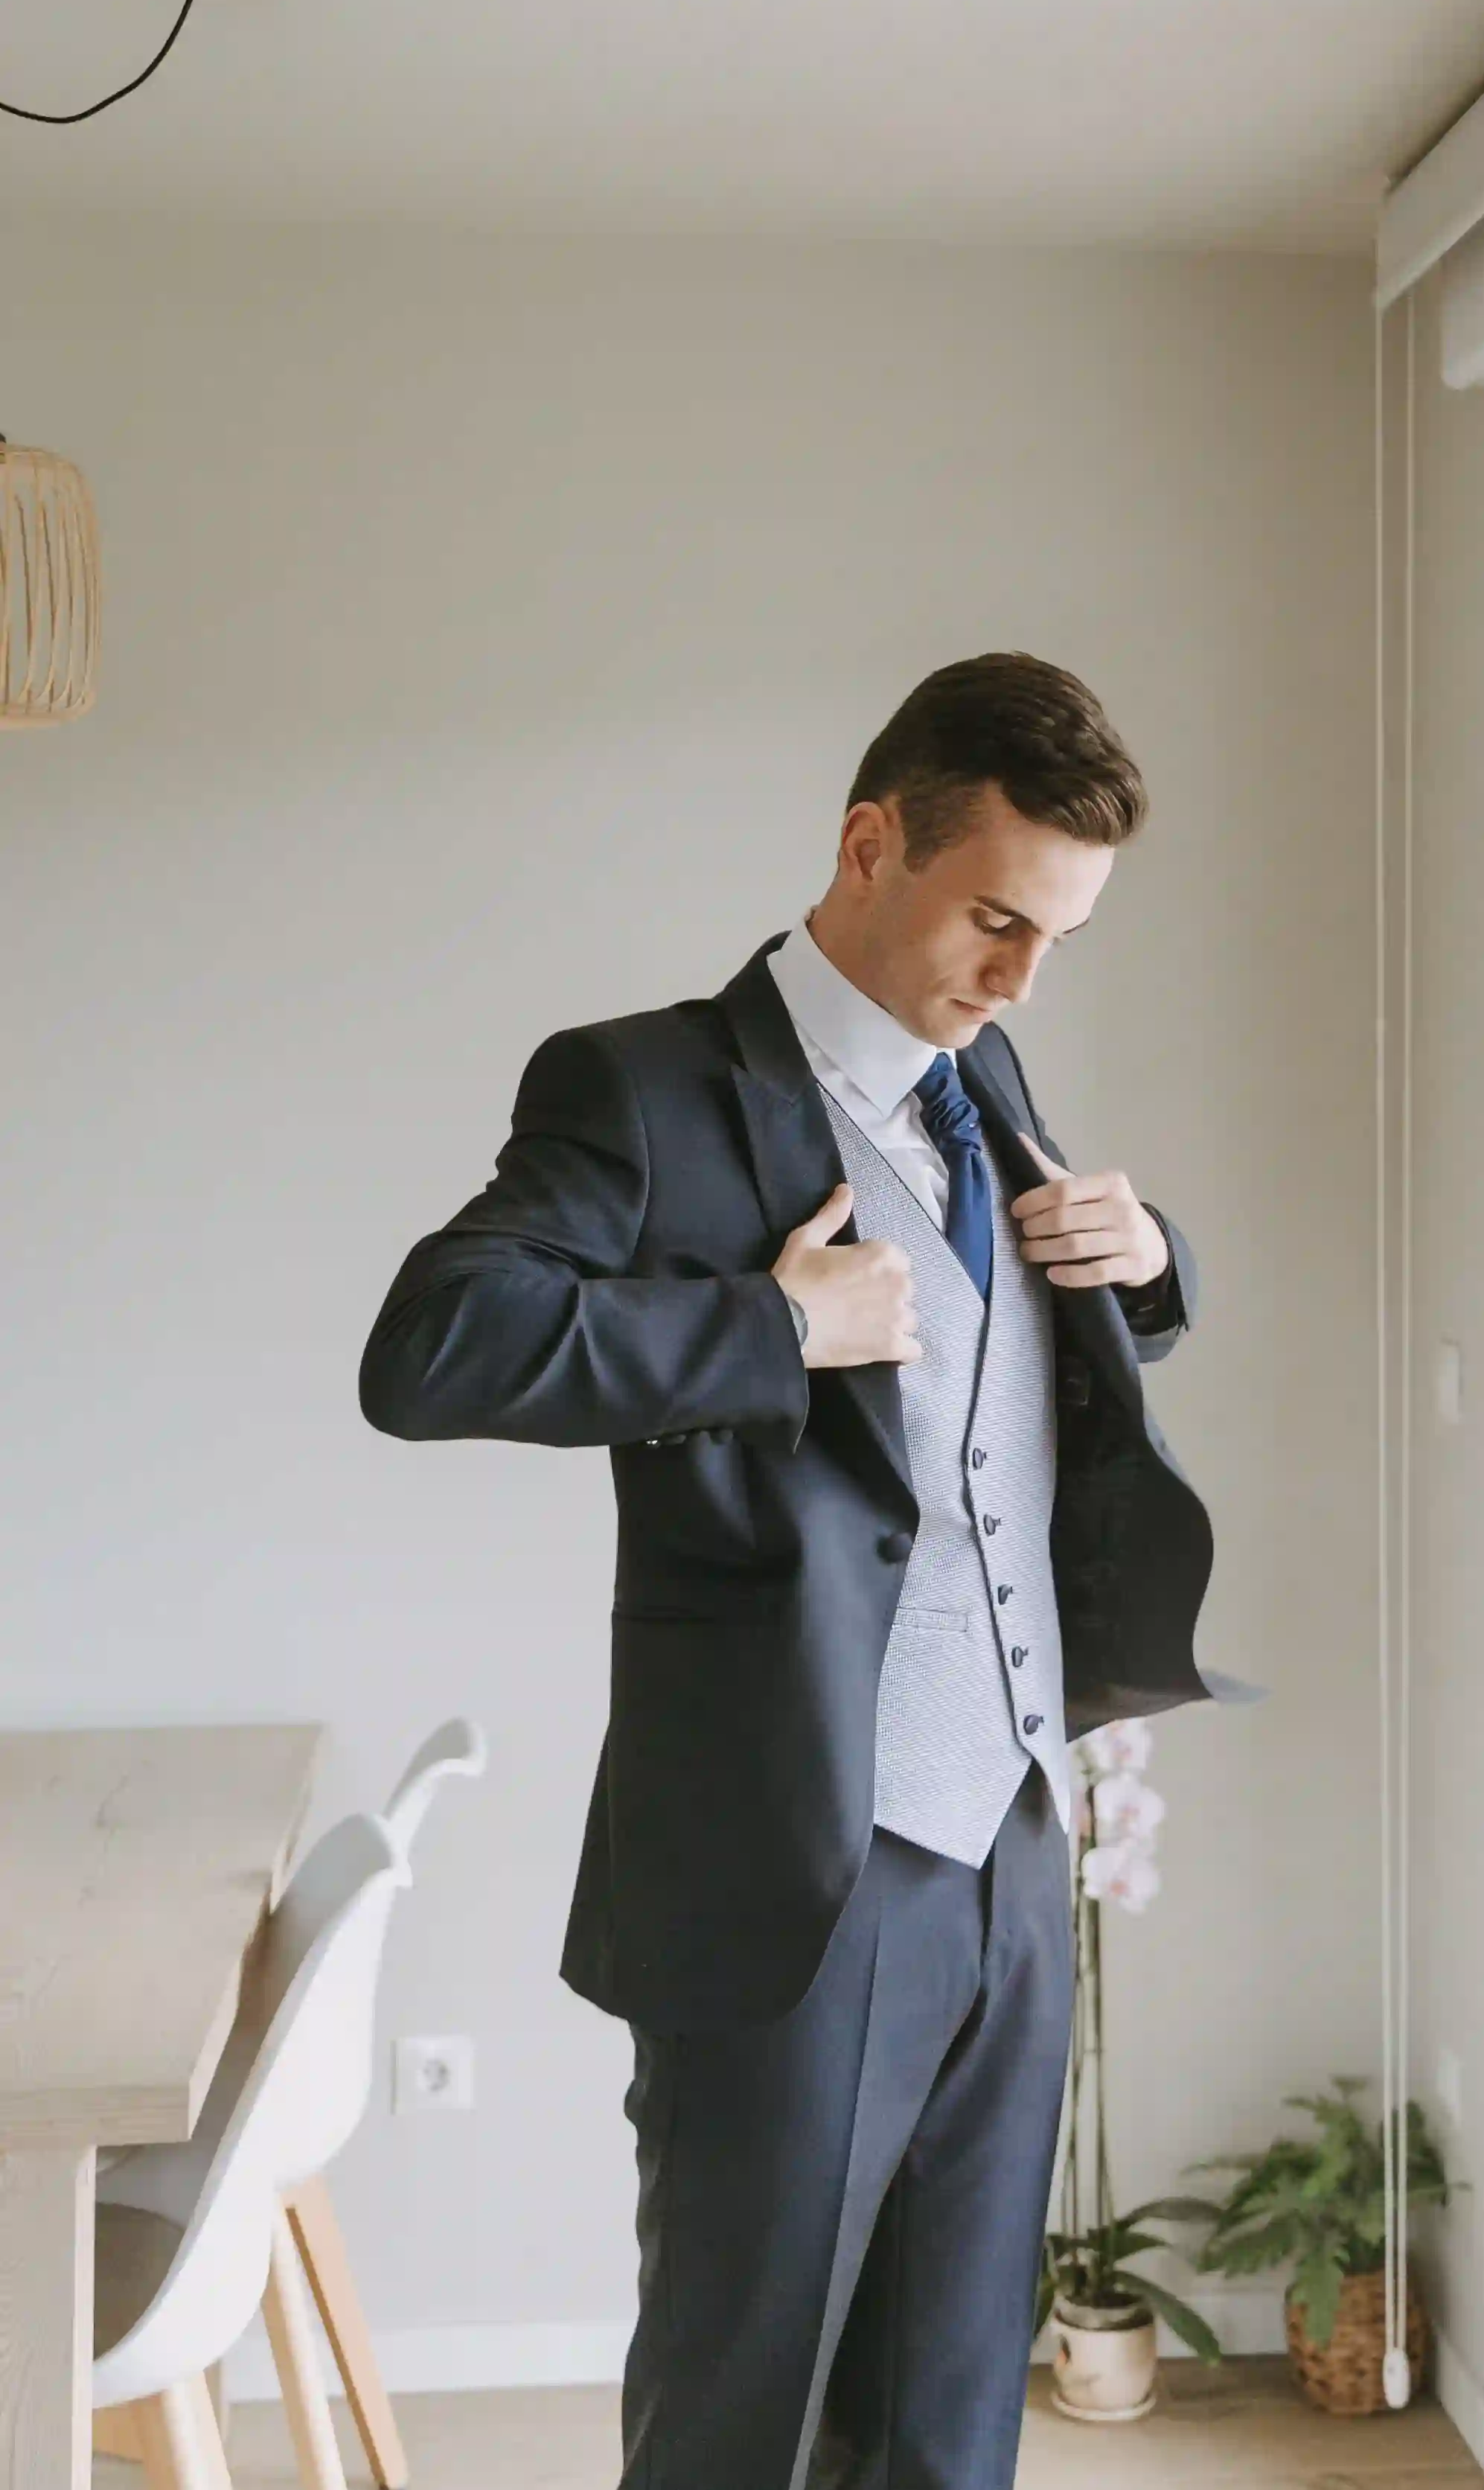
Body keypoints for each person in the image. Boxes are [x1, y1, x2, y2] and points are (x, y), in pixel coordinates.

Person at [358, 650, 1235, 2490]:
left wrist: (1141, 1265)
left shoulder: (979, 1072)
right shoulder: (652, 1090)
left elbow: (994, 1386)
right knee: (740, 2421)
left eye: (1055, 940)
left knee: (948, 2415)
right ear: (867, 842)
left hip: (1004, 1840)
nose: (1016, 974)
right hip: (792, 1864)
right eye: (995, 918)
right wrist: (766, 1325)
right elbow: (432, 1348)